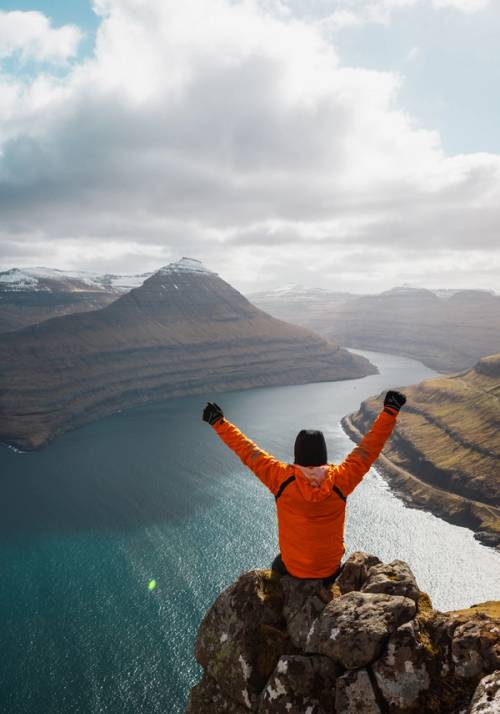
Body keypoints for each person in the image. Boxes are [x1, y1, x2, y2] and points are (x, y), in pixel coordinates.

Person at [202, 390, 406, 585]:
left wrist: (219, 423)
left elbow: (248, 452)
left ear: (296, 454)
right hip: (329, 570)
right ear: (323, 455)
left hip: (294, 569)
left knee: (277, 564)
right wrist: (390, 411)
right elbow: (368, 450)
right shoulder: (341, 480)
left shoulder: (281, 479)